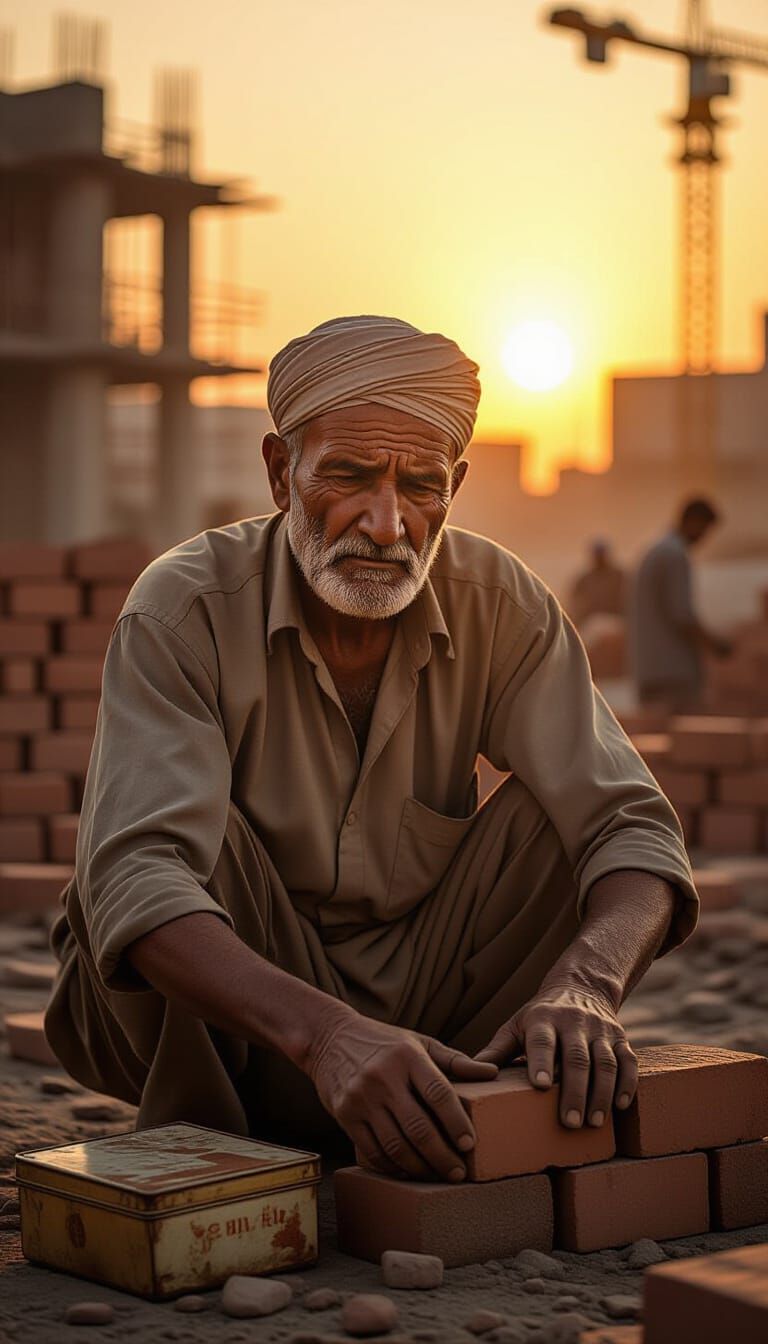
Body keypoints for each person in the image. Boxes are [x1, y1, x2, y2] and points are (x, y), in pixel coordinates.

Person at [45, 316, 698, 1186]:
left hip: (428, 1010)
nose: (387, 525)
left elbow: (635, 828)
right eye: (348, 477)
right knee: (178, 848)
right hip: (233, 1023)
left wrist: (587, 983)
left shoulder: (500, 603)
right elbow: (136, 877)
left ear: (454, 487)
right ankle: (227, 1152)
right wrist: (325, 1036)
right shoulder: (184, 607)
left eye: (421, 486)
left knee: (562, 816)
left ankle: (454, 1104)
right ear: (280, 472)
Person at [629, 498, 732, 714]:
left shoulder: (656, 550)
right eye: (704, 530)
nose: (704, 538)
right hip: (673, 673)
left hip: (650, 669)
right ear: (694, 522)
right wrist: (716, 645)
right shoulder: (674, 555)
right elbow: (682, 615)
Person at [567, 538, 626, 630]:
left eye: (601, 554)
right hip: (591, 622)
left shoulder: (619, 576)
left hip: (616, 620)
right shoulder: (585, 579)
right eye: (598, 554)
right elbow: (574, 602)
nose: (600, 558)